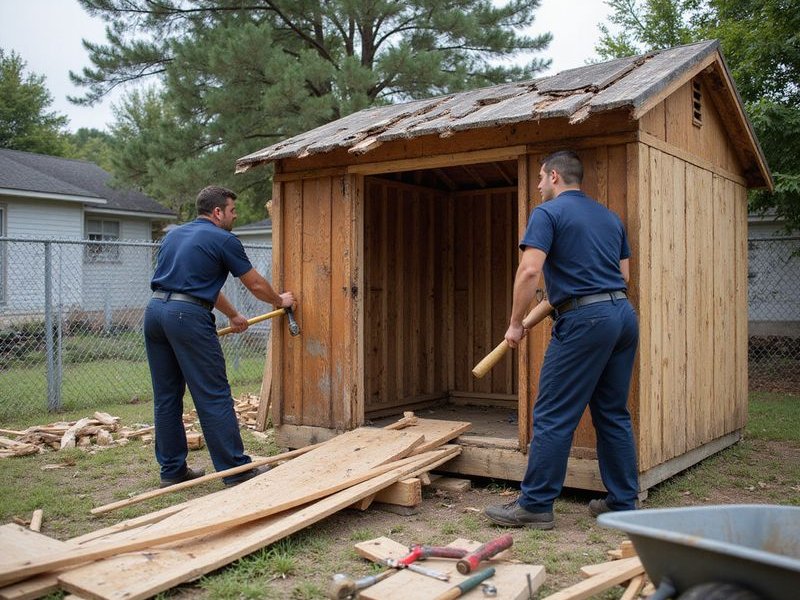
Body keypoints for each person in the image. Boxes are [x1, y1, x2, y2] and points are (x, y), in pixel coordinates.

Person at [484, 150, 639, 529]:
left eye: (539, 178)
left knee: (553, 414)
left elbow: (530, 270)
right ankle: (622, 503)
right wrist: (524, 326)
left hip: (585, 322)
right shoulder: (609, 218)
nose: (537, 186)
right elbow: (623, 278)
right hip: (621, 316)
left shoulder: (547, 214)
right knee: (613, 412)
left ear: (554, 176)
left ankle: (535, 505)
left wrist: (513, 320)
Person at [145, 185, 295, 488]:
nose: (235, 216)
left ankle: (172, 472)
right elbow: (254, 284)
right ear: (218, 212)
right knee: (213, 394)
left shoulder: (174, 235)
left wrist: (232, 315)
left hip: (155, 313)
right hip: (187, 318)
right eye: (232, 210)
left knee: (166, 397)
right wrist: (280, 301)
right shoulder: (224, 239)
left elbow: (192, 285)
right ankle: (236, 471)